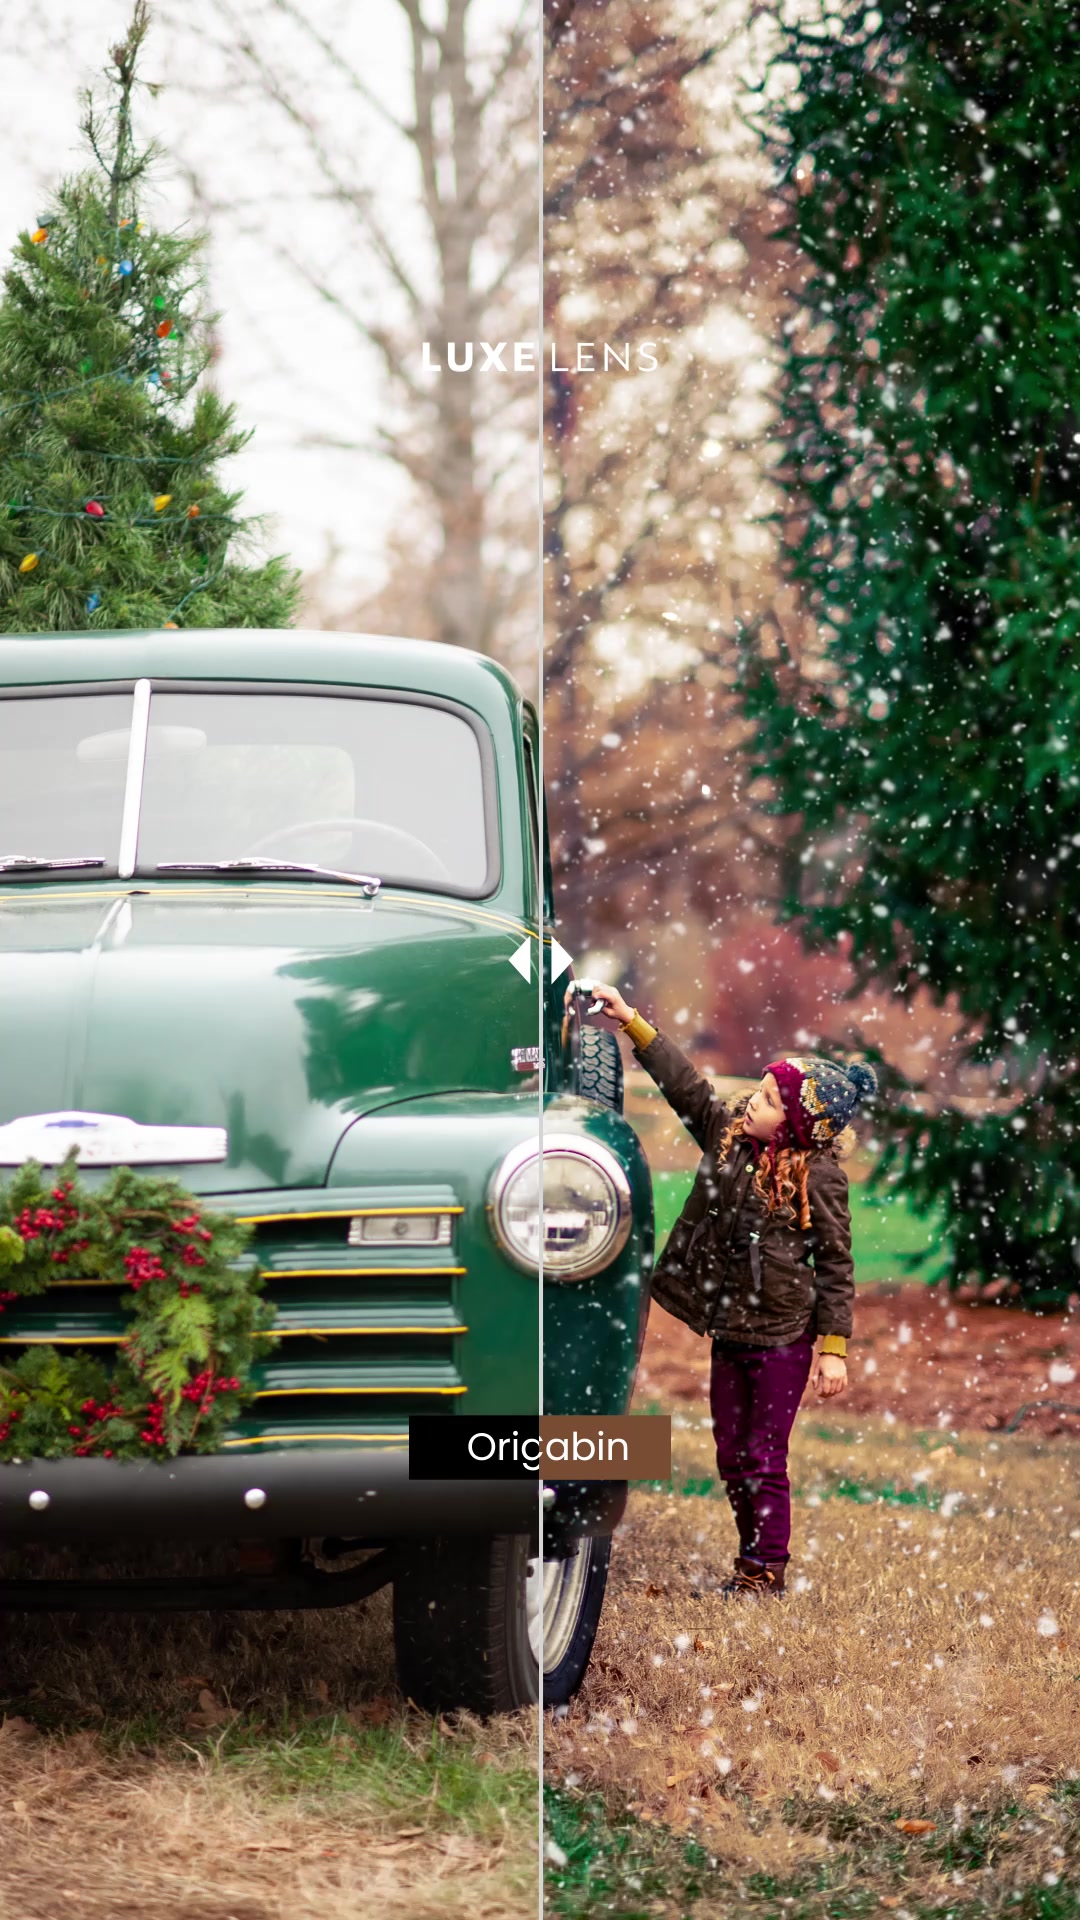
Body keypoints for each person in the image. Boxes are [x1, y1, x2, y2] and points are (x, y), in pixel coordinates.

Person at [583, 981, 877, 1598]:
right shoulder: (728, 1141)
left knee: (763, 1456)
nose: (754, 1103)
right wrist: (633, 1022)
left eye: (770, 1101)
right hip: (731, 1330)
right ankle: (751, 1557)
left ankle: (764, 1569)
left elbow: (836, 1264)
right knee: (730, 1456)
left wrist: (833, 1346)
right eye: (760, 1091)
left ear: (798, 1124)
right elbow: (685, 1085)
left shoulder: (817, 1178)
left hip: (782, 1339)